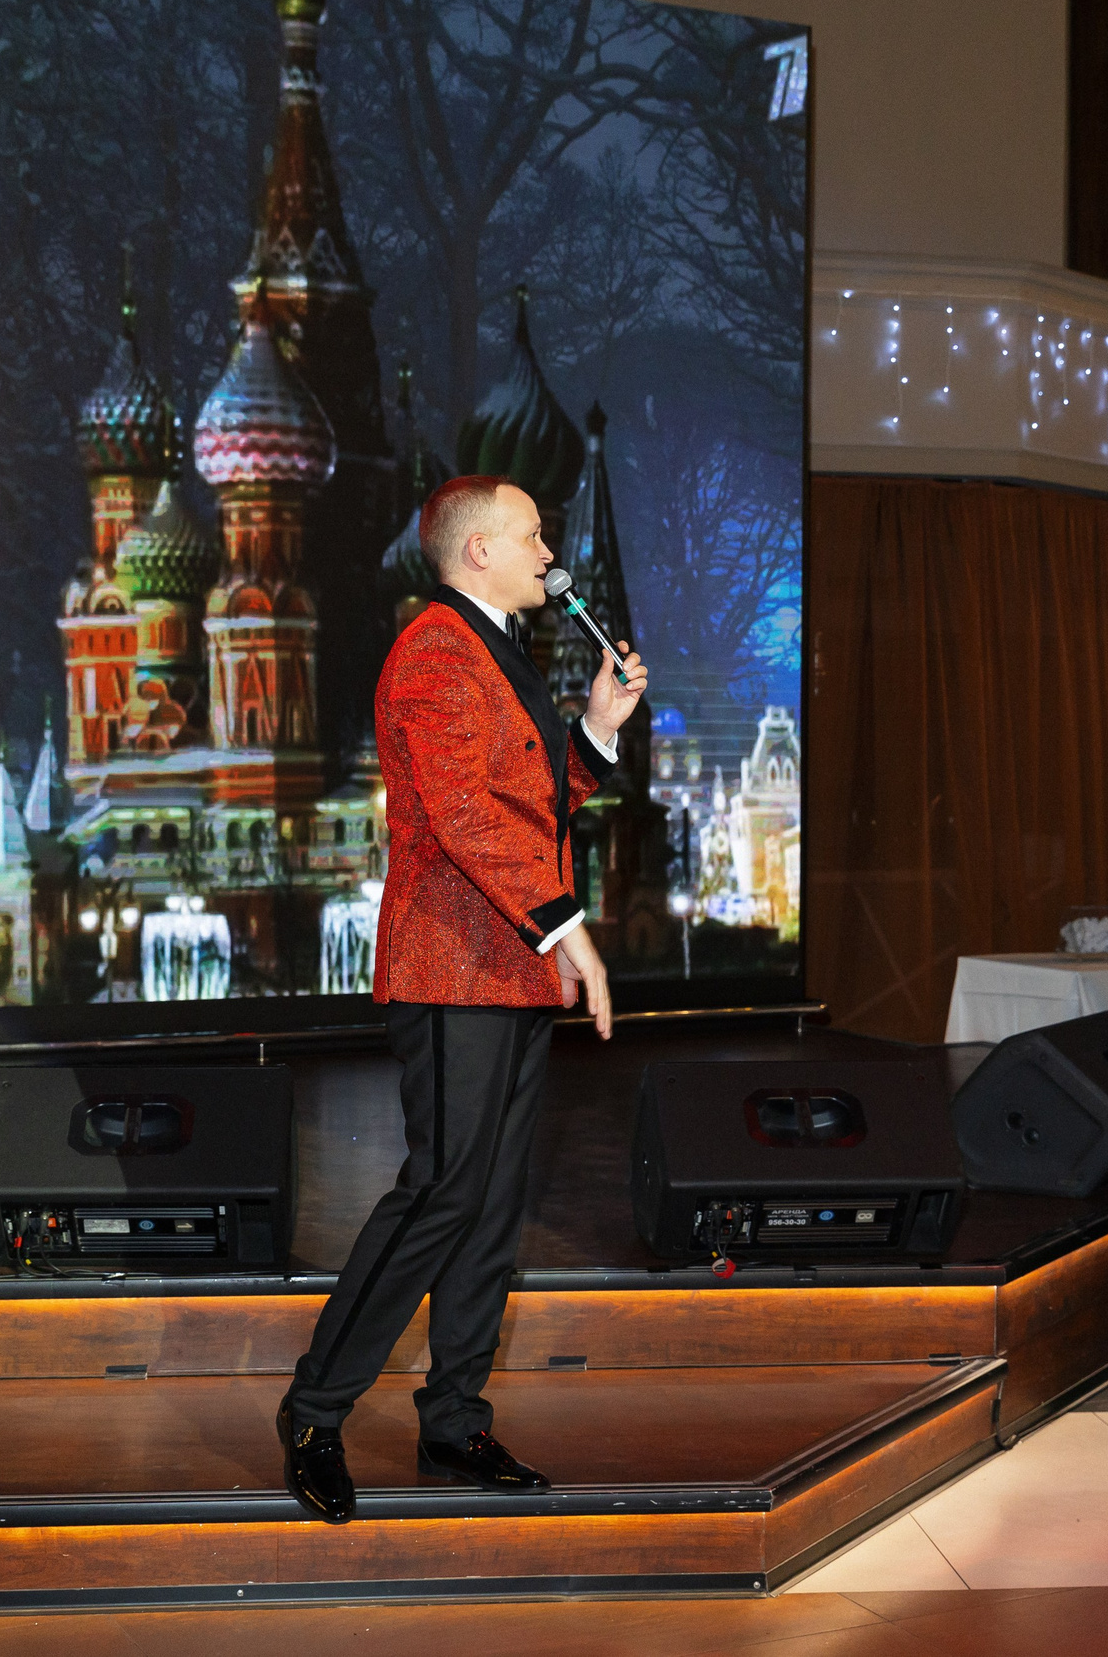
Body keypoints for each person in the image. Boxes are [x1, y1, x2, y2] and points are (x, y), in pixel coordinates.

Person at [277, 474, 647, 1524]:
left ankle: (454, 1422)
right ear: (478, 548)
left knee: (489, 1205)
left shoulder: (493, 649)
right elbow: (462, 821)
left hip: (505, 967)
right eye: (532, 534)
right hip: (452, 968)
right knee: (443, 1193)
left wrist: (595, 730)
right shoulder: (435, 651)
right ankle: (314, 1412)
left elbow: (522, 801)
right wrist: (572, 929)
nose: (549, 550)